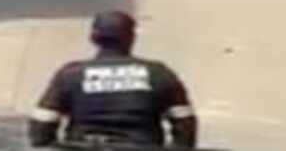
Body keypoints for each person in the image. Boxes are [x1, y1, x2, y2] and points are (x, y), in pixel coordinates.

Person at [29, 11, 197, 148]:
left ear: (93, 38)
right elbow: (185, 123)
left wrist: (52, 145)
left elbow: (43, 123)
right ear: (131, 37)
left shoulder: (70, 74)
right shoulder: (158, 73)